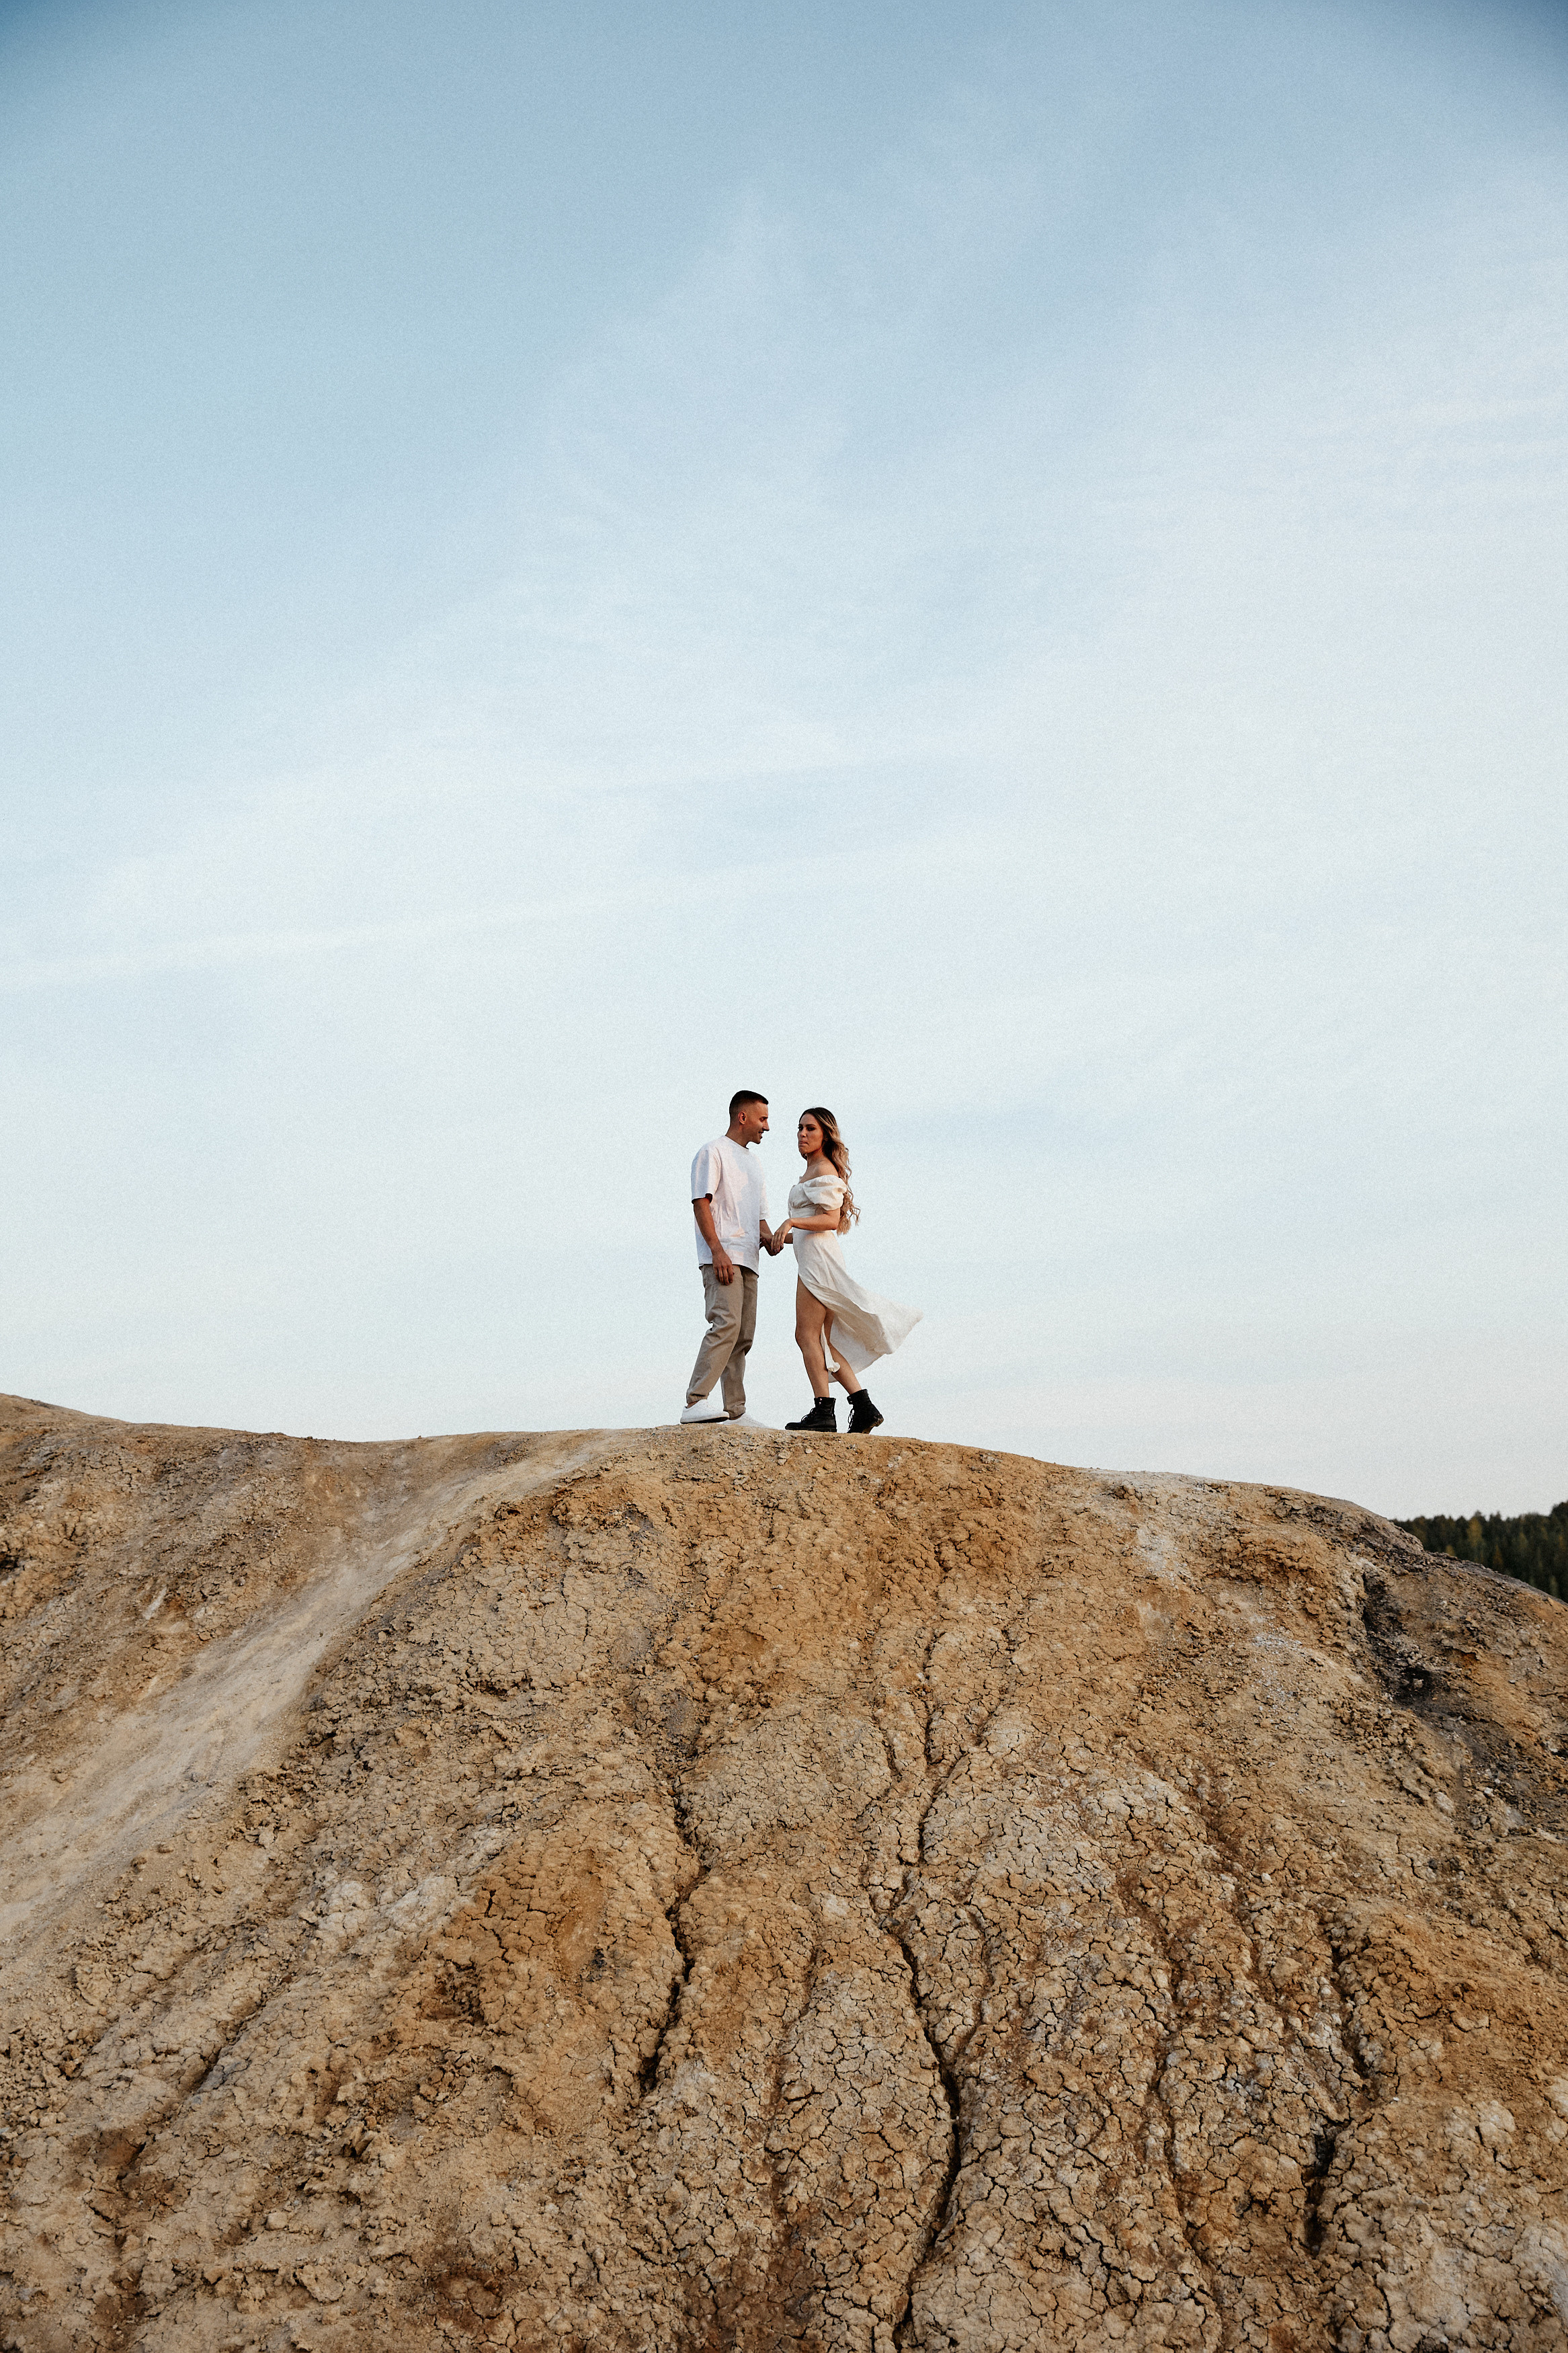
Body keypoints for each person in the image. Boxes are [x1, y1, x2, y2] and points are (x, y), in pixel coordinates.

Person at [770, 1106, 921, 1434]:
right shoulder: (813, 1171)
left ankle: (824, 1412)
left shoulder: (824, 1170)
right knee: (821, 1339)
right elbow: (815, 1229)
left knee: (805, 1335)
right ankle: (864, 1407)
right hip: (813, 1257)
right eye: (799, 1128)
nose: (802, 1134)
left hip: (819, 1263)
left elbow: (830, 1221)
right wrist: (782, 1236)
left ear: (825, 1134)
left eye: (810, 1129)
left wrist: (791, 1221)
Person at [680, 1091, 778, 1427]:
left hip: (750, 1258)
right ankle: (695, 1401)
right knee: (725, 1324)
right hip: (722, 1256)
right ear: (743, 1117)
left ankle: (735, 1411)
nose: (767, 1126)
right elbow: (700, 1203)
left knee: (743, 1335)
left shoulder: (754, 1162)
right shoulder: (712, 1152)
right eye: (763, 1119)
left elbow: (760, 1217)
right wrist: (717, 1251)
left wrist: (772, 1239)